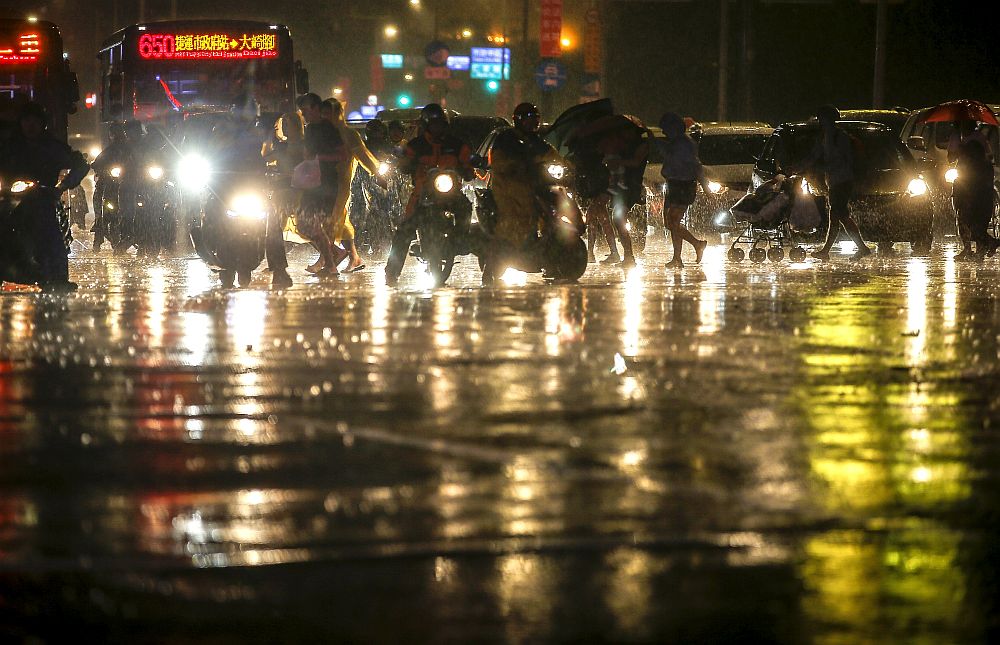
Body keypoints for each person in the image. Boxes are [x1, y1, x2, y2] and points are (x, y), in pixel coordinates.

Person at [0, 102, 89, 291]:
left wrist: (61, 187)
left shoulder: (52, 147)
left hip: (41, 198)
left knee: (48, 230)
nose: (30, 125)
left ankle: (58, 276)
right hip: (8, 199)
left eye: (35, 121)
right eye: (26, 121)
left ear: (42, 124)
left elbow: (80, 164)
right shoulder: (10, 147)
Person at [384, 104, 473, 286]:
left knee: (465, 206)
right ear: (425, 125)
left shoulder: (456, 144)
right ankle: (391, 272)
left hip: (451, 192)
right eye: (433, 125)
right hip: (423, 193)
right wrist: (406, 162)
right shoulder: (415, 145)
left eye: (440, 124)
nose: (437, 128)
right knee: (405, 230)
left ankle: (460, 240)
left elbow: (468, 165)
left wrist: (468, 167)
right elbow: (404, 163)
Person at [482, 103, 562, 283]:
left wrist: (569, 168)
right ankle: (491, 266)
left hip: (535, 189)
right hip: (509, 191)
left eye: (535, 118)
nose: (533, 122)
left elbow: (552, 156)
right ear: (518, 120)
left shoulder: (537, 141)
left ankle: (550, 256)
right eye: (529, 118)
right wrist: (515, 167)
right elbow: (499, 161)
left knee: (549, 214)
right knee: (508, 225)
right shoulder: (506, 138)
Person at [317, 98, 382, 274]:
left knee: (329, 219)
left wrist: (377, 174)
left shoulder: (348, 134)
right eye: (323, 113)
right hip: (323, 183)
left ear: (338, 113)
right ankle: (354, 258)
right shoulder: (324, 133)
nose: (325, 116)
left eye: (328, 112)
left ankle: (328, 261)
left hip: (339, 184)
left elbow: (364, 156)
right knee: (338, 219)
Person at [803, 105, 872, 261]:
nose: (820, 121)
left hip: (843, 181)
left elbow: (842, 161)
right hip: (833, 182)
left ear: (829, 119)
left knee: (840, 215)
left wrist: (821, 167)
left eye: (822, 118)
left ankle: (861, 248)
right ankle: (828, 251)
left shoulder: (840, 137)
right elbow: (813, 156)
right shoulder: (825, 137)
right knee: (836, 217)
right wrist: (798, 167)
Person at [583, 119, 648, 269]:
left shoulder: (642, 145)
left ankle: (626, 255)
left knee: (616, 218)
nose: (624, 134)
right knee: (607, 216)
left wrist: (618, 162)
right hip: (619, 187)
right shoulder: (624, 144)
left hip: (630, 186)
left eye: (626, 131)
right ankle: (621, 254)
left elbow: (636, 162)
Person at [295, 92, 347, 276]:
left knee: (315, 224)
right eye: (302, 111)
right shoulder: (309, 129)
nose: (304, 114)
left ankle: (331, 264)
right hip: (311, 183)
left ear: (317, 109)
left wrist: (319, 158)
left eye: (306, 110)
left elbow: (342, 155)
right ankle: (334, 255)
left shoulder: (328, 129)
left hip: (326, 183)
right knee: (303, 223)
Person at [655, 112, 710, 269]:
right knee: (670, 223)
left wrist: (705, 186)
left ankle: (697, 244)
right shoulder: (676, 143)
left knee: (672, 221)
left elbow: (696, 166)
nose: (664, 132)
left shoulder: (684, 144)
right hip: (674, 185)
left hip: (683, 186)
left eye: (665, 128)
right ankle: (677, 257)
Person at [947, 120, 993, 260]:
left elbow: (988, 157)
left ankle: (984, 245)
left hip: (978, 182)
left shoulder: (979, 137)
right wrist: (957, 151)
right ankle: (968, 248)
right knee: (962, 215)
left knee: (976, 216)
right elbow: (950, 158)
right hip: (963, 180)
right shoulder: (956, 137)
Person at [90, 123, 129, 251]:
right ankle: (98, 229)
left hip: (128, 182)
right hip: (109, 183)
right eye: (114, 133)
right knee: (98, 197)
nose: (117, 136)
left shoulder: (130, 150)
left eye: (119, 133)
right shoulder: (109, 151)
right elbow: (97, 163)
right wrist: (99, 168)